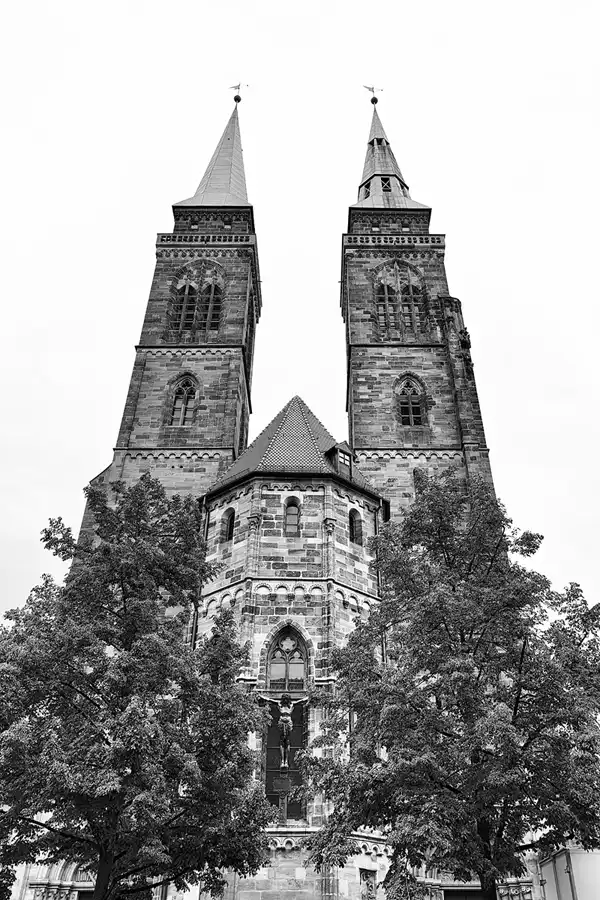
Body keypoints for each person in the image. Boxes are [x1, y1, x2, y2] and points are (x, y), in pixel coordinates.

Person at [258, 692, 309, 768]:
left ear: (288, 700)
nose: (285, 700)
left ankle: (286, 761)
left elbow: (301, 701)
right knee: (282, 741)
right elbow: (270, 700)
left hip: (288, 723)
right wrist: (262, 697)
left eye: (286, 699)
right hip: (281, 722)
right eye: (284, 699)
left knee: (287, 741)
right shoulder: (279, 704)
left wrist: (309, 697)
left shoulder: (291, 705)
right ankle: (282, 760)